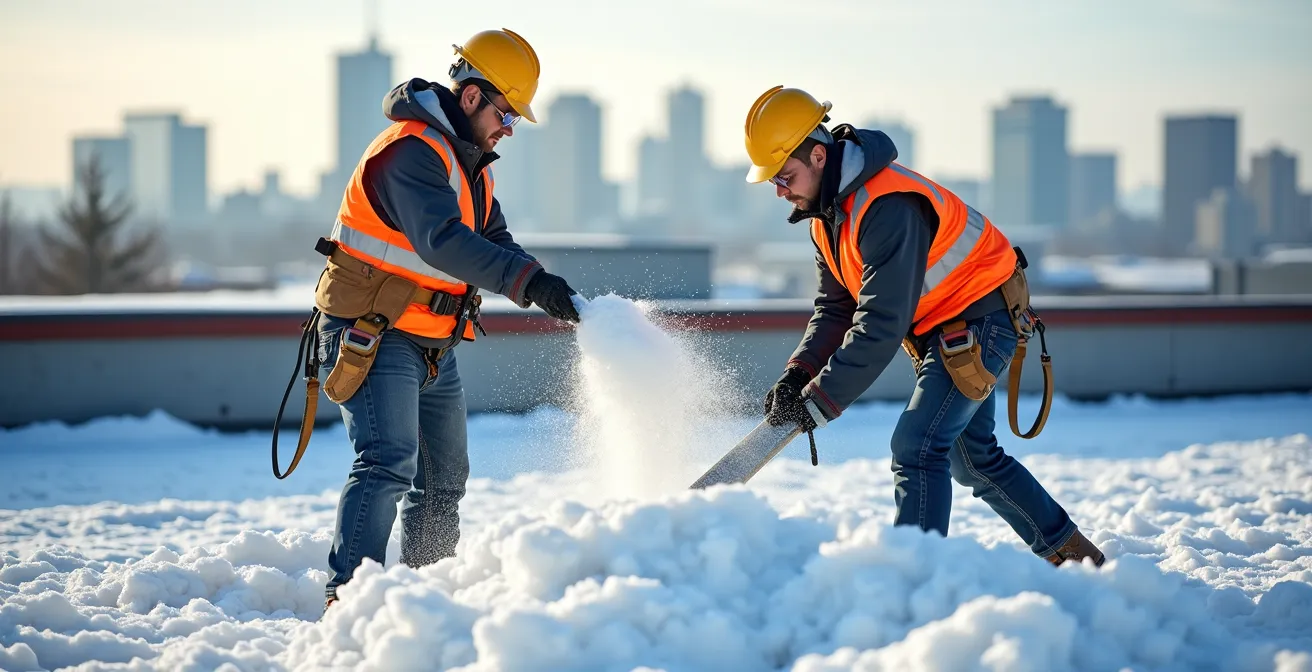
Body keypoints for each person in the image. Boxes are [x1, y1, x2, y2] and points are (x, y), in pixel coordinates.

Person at [744, 86, 1104, 567]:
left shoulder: (885, 207)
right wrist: (798, 373)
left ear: (817, 155)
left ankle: (912, 576)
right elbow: (836, 308)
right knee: (971, 458)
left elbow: (880, 322)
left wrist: (823, 400)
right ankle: (1077, 560)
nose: (780, 190)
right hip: (948, 331)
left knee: (916, 447)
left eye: (785, 176)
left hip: (983, 321)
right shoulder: (827, 219)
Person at [311, 28, 582, 610]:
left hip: (432, 340)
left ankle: (423, 595)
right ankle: (347, 599)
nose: (509, 127)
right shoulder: (411, 152)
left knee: (444, 480)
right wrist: (526, 282)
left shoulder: (472, 165)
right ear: (471, 97)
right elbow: (442, 241)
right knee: (387, 462)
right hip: (374, 330)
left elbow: (495, 237)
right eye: (506, 112)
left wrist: (543, 282)